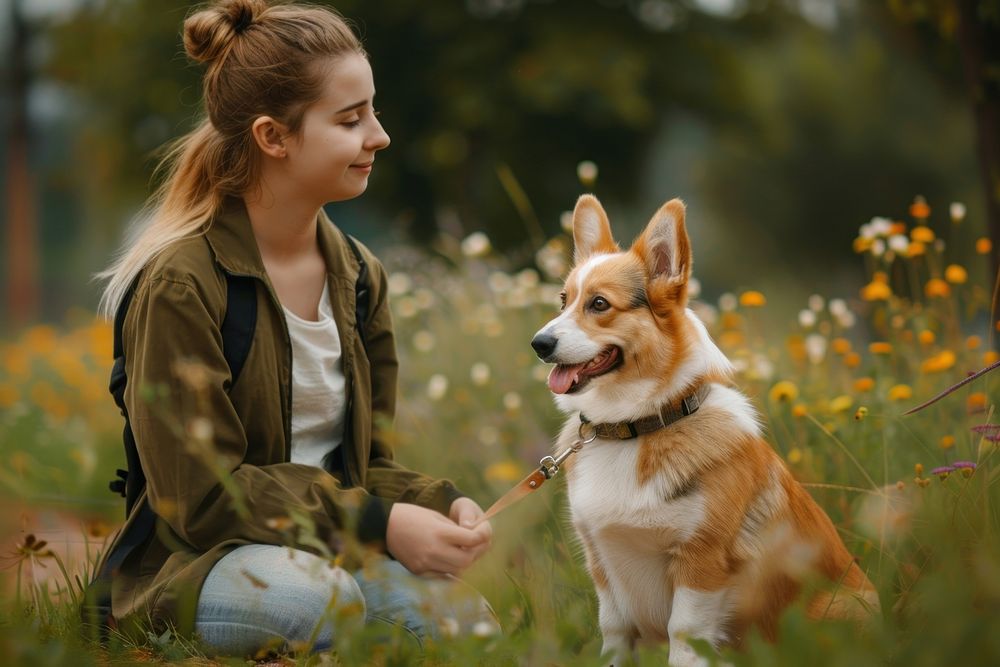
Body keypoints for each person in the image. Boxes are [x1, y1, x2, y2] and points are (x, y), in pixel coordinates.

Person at [91, 0, 496, 657]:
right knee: (317, 600)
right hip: (195, 563)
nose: (379, 135)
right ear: (273, 137)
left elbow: (367, 465)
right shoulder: (182, 283)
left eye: (374, 110)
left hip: (333, 548)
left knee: (468, 621)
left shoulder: (361, 279)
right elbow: (199, 492)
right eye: (350, 118)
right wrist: (379, 523)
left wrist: (441, 504)